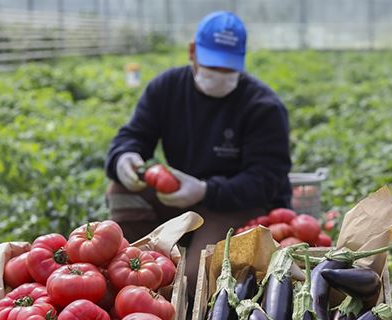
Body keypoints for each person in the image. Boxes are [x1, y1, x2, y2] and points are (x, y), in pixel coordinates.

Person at [104, 11, 292, 299]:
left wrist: (204, 191)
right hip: (180, 198)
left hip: (235, 204)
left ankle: (181, 290)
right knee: (121, 190)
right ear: (192, 52)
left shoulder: (262, 107)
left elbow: (266, 181)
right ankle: (144, 258)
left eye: (228, 69)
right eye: (211, 65)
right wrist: (124, 157)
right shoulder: (167, 89)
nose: (219, 75)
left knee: (196, 279)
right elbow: (133, 135)